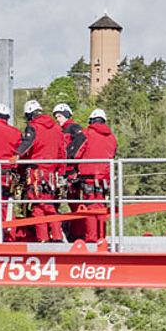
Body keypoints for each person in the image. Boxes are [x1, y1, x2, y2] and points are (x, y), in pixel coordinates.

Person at [14, 103, 72, 242]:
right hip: (52, 174)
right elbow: (62, 152)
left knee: (38, 205)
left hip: (36, 173)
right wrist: (61, 171)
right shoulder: (57, 128)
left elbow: (28, 144)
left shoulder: (33, 127)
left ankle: (45, 238)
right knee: (49, 204)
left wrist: (16, 156)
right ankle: (55, 235)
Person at [65, 108, 118, 242]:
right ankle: (102, 237)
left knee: (90, 208)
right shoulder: (112, 138)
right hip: (105, 179)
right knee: (101, 207)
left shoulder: (86, 134)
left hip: (88, 177)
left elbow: (74, 154)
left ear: (91, 121)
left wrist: (70, 170)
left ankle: (91, 239)